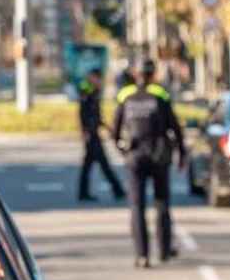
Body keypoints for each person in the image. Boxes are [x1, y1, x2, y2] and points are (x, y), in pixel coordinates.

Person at [112, 59, 187, 269]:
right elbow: (175, 127)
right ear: (153, 74)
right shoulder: (161, 95)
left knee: (137, 207)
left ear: (137, 75)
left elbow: (114, 131)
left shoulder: (125, 96)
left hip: (135, 157)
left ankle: (142, 255)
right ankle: (163, 251)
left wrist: (123, 151)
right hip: (159, 156)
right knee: (162, 203)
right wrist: (181, 153)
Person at [77, 68, 125, 202]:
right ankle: (118, 190)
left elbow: (97, 116)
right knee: (103, 164)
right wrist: (84, 131)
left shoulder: (94, 91)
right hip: (91, 134)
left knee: (89, 165)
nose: (99, 82)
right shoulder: (87, 91)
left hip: (93, 132)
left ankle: (83, 192)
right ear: (92, 77)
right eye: (97, 79)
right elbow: (82, 114)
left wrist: (107, 127)